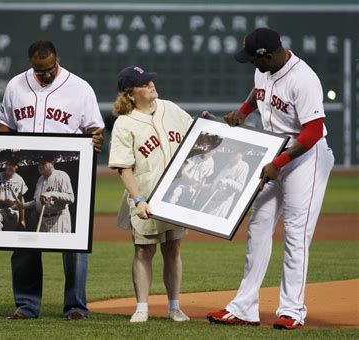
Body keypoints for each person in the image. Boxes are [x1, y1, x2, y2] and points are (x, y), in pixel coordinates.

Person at [206, 28, 335, 329]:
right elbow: (258, 93)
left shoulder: (303, 79)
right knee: (258, 228)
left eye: (255, 59)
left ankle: (292, 310)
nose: (253, 65)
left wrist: (279, 162)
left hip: (306, 158)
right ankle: (244, 308)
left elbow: (314, 131)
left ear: (270, 55)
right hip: (276, 155)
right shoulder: (264, 70)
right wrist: (243, 112)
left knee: (295, 234)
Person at [0, 39, 105, 320]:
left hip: (67, 168)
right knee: (24, 244)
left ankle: (76, 306)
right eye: (38, 69)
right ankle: (27, 306)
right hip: (30, 170)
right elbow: (4, 126)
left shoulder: (80, 88)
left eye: (49, 68)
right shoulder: (15, 86)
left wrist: (96, 140)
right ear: (31, 63)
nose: (44, 74)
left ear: (57, 60)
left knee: (75, 247)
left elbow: (95, 129)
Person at [108, 66, 193, 323]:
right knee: (144, 251)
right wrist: (137, 200)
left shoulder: (171, 108)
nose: (150, 85)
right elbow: (123, 167)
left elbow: (196, 137)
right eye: (143, 84)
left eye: (149, 81)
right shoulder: (124, 123)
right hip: (144, 197)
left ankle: (174, 307)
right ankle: (142, 307)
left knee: (173, 249)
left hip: (176, 195)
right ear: (130, 94)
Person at [17, 156, 74, 233]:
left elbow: (70, 198)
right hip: (43, 221)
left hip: (58, 220)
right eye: (39, 164)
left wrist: (51, 194)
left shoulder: (61, 175)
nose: (40, 166)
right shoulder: (40, 179)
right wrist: (23, 205)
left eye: (43, 163)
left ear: (52, 163)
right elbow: (37, 201)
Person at [200, 151, 249, 218]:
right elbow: (216, 184)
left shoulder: (244, 166)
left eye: (234, 154)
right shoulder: (227, 165)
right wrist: (202, 186)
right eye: (231, 154)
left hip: (220, 205)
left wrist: (227, 181)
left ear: (240, 155)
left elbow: (240, 187)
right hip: (210, 201)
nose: (231, 156)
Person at [0, 156, 28, 231]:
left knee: (9, 235)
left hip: (13, 211)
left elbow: (21, 199)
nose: (8, 166)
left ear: (16, 166)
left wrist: (22, 220)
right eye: (7, 164)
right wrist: (6, 201)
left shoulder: (19, 180)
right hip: (0, 209)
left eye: (11, 164)